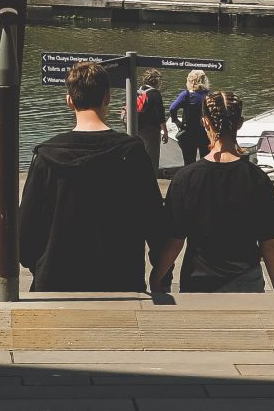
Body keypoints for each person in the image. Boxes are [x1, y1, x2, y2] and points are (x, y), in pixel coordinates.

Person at [17, 58, 164, 293]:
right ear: (108, 98)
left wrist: (39, 266)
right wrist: (159, 275)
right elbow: (155, 222)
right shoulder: (132, 153)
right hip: (119, 283)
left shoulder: (46, 156)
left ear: (69, 101)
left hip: (56, 281)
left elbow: (25, 230)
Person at [153, 88, 274, 297]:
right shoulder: (258, 178)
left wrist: (156, 277)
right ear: (240, 123)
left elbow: (175, 240)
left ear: (205, 122)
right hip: (246, 280)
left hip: (199, 280)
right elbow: (269, 244)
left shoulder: (186, 178)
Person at [168, 69, 210, 170]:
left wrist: (176, 121)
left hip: (189, 132)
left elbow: (172, 108)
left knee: (189, 163)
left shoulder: (186, 95)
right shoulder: (208, 95)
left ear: (190, 81)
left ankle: (191, 183)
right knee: (206, 162)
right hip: (205, 132)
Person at [133, 69, 167, 172]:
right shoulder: (155, 93)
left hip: (137, 128)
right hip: (151, 130)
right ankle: (152, 181)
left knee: (140, 155)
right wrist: (165, 131)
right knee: (152, 157)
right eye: (159, 79)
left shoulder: (138, 91)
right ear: (155, 81)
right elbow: (160, 114)